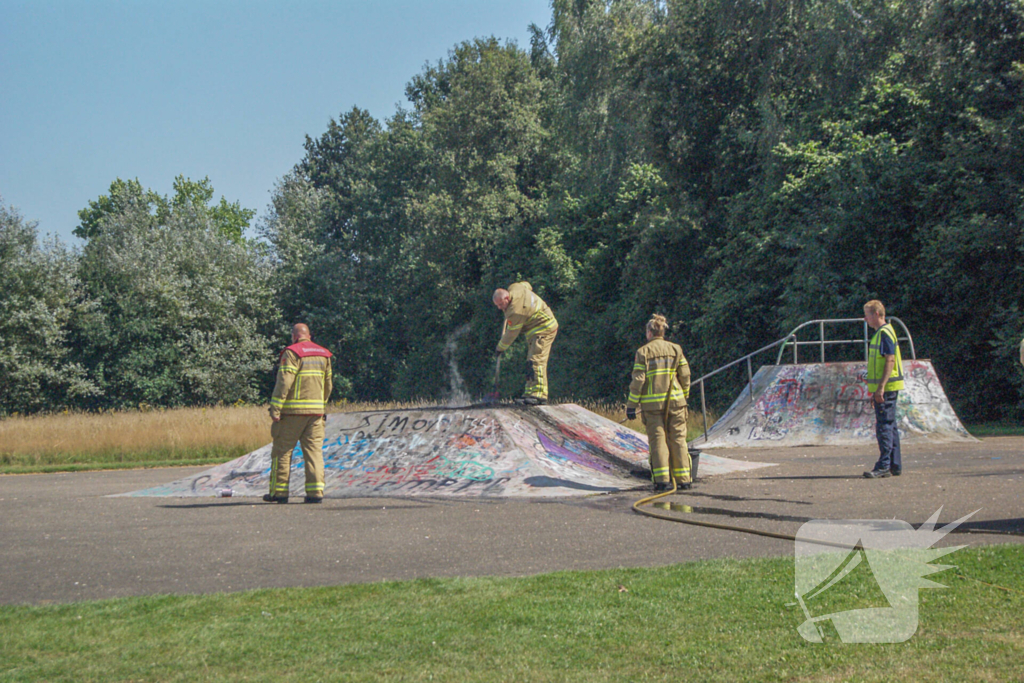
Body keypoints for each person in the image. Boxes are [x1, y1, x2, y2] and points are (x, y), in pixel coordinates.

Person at [265, 323, 333, 503]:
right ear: (309, 336)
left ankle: (279, 493)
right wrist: (321, 405)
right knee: (314, 453)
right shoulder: (324, 354)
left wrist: (276, 408)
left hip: (292, 413)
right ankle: (315, 492)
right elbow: (328, 385)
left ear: (294, 336)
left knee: (283, 452)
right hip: (316, 414)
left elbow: (284, 382)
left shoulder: (292, 352)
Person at [625, 314, 692, 491]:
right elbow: (685, 375)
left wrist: (631, 406)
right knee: (678, 440)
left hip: (652, 407)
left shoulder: (643, 352)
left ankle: (662, 481)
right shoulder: (676, 349)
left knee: (658, 441)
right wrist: (684, 395)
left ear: (649, 332)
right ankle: (684, 480)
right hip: (676, 403)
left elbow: (638, 380)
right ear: (662, 331)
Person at [492, 282, 558, 405]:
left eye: (501, 304)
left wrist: (500, 348)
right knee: (530, 362)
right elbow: (527, 285)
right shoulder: (516, 287)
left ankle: (539, 395)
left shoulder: (515, 312)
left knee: (536, 361)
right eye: (497, 305)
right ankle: (529, 393)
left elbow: (511, 333)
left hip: (543, 329)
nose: (499, 308)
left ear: (507, 298)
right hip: (537, 331)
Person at [862, 300, 904, 479]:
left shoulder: (884, 333)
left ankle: (884, 465)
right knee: (890, 425)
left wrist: (880, 388)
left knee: (884, 426)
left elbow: (890, 360)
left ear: (876, 314)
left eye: (867, 315)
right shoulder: (883, 333)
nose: (865, 319)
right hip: (887, 387)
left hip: (886, 387)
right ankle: (895, 464)